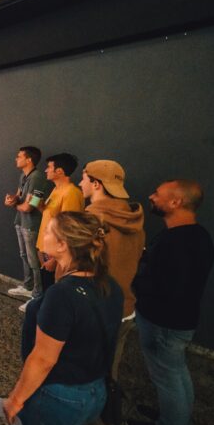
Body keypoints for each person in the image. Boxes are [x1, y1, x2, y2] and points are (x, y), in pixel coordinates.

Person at [5, 212, 124, 425]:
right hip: (95, 393)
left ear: (62, 245)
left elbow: (43, 359)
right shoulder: (110, 285)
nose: (43, 235)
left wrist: (16, 399)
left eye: (48, 231)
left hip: (59, 399)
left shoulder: (62, 295)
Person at [128, 180, 214, 425]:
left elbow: (168, 287)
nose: (151, 196)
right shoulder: (199, 235)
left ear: (176, 202)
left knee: (167, 377)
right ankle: (177, 420)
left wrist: (134, 282)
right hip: (179, 320)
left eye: (157, 193)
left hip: (163, 322)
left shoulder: (176, 242)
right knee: (175, 373)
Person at [80, 160, 145, 381]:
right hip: (125, 309)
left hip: (94, 310)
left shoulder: (90, 220)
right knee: (109, 371)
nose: (80, 184)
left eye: (83, 179)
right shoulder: (135, 221)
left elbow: (77, 269)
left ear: (96, 184)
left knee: (83, 373)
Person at [25, 152, 84, 311]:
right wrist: (39, 205)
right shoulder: (57, 189)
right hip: (45, 250)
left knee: (53, 294)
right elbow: (50, 213)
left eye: (49, 167)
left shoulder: (71, 193)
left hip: (54, 255)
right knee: (47, 289)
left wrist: (55, 258)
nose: (45, 170)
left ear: (59, 171)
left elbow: (69, 229)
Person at [4, 146, 50, 302]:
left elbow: (29, 207)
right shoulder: (23, 175)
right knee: (24, 255)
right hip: (20, 221)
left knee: (34, 261)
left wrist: (14, 205)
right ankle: (28, 287)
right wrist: (12, 199)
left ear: (29, 159)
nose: (16, 159)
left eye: (19, 156)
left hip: (31, 225)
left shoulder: (37, 178)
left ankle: (37, 295)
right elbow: (19, 196)